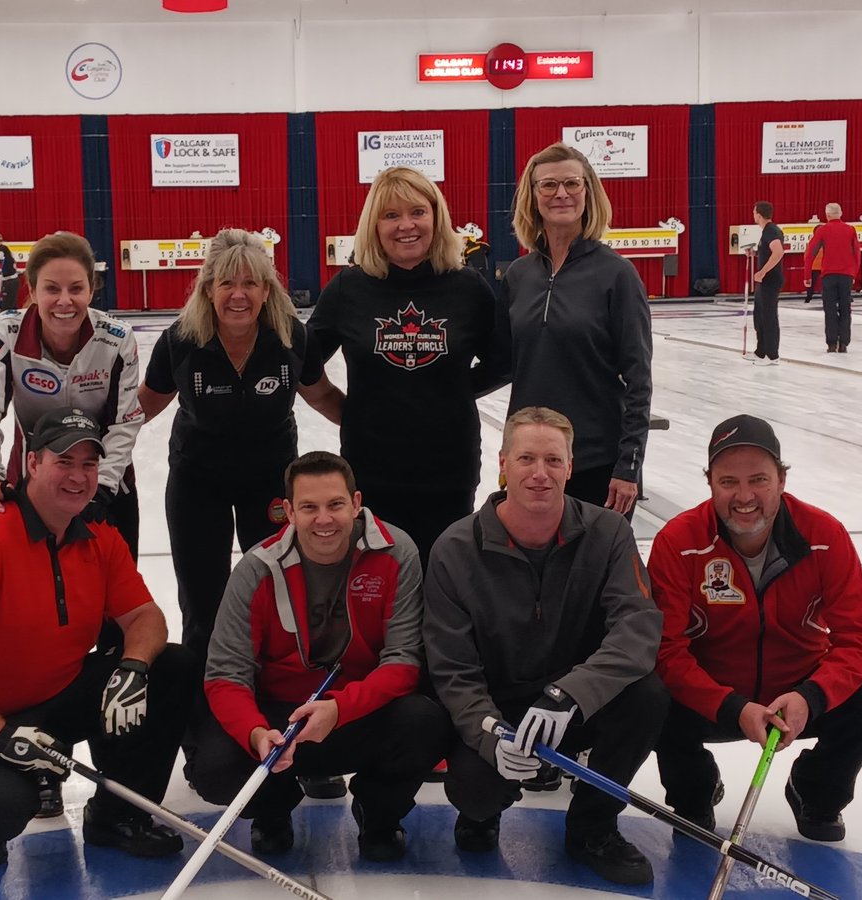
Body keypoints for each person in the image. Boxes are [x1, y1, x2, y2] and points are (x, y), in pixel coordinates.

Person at [0, 406, 195, 867]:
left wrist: (134, 667)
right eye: (64, 461)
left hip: (58, 695)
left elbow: (145, 616)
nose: (78, 476)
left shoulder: (99, 535)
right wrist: (1, 736)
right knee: (2, 808)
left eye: (89, 464)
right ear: (32, 463)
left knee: (171, 667)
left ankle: (117, 816)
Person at [424, 407, 667, 887]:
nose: (540, 473)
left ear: (570, 467)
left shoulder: (609, 533)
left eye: (553, 460)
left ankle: (593, 827)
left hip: (572, 705)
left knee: (648, 695)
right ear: (503, 463)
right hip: (500, 709)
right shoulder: (454, 547)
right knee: (475, 791)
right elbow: (452, 669)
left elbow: (637, 627)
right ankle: (482, 812)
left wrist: (573, 693)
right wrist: (490, 734)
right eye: (526, 458)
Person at [647, 414, 862, 843]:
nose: (744, 496)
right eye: (728, 482)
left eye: (758, 480)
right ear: (710, 482)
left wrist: (811, 696)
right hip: (713, 695)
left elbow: (861, 638)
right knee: (646, 698)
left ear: (781, 480)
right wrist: (732, 706)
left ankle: (814, 790)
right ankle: (694, 792)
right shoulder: (679, 541)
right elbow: (665, 649)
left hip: (797, 692)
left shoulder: (824, 535)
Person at [191, 451, 451, 861]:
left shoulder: (396, 552)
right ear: (289, 511)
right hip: (280, 719)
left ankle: (378, 812)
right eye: (309, 507)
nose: (324, 519)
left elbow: (403, 663)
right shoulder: (257, 568)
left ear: (356, 503)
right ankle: (274, 807)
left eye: (335, 504)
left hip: (356, 709)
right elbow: (225, 675)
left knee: (426, 723)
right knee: (213, 767)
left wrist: (338, 709)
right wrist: (256, 734)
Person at [138, 229, 343, 669]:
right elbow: (141, 408)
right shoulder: (180, 342)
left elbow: (324, 396)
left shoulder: (292, 338)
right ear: (207, 289)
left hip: (269, 482)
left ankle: (271, 686)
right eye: (227, 283)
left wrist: (378, 428)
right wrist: (90, 443)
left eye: (250, 283)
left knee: (273, 590)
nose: (238, 295)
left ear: (266, 290)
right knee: (202, 601)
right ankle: (204, 694)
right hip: (197, 481)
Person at [309, 166, 503, 568]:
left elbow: (504, 361)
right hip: (371, 470)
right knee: (379, 583)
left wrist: (451, 392)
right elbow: (304, 361)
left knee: (443, 579)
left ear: (436, 218)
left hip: (449, 470)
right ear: (374, 225)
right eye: (391, 215)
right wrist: (344, 408)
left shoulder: (468, 287)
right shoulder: (348, 289)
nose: (406, 225)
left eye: (417, 212)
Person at [0, 231, 145, 563]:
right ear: (33, 290)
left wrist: (101, 488)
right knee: (35, 594)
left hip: (106, 490)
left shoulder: (118, 339)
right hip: (31, 489)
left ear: (91, 289)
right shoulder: (5, 333)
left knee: (114, 593)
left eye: (76, 288)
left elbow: (125, 422)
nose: (65, 301)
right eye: (52, 289)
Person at [502, 142, 652, 521]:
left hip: (596, 462)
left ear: (588, 192)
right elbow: (503, 363)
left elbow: (638, 380)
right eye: (548, 185)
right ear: (533, 195)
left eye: (572, 183)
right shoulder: (519, 276)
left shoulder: (617, 274)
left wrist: (629, 466)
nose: (561, 194)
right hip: (531, 464)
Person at [803, 203, 862, 353]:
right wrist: (854, 274)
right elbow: (857, 253)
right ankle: (844, 343)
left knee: (830, 310)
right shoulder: (850, 230)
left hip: (829, 276)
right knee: (845, 309)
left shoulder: (822, 230)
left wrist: (807, 275)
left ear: (827, 215)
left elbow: (810, 253)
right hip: (846, 275)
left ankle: (831, 343)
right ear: (841, 213)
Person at [749, 201, 785, 365]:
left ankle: (772, 355)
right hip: (765, 281)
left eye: (754, 212)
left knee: (768, 317)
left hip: (770, 280)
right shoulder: (767, 232)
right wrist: (755, 253)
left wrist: (762, 272)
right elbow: (769, 252)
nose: (753, 215)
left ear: (759, 215)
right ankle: (761, 352)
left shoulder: (771, 231)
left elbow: (778, 252)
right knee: (760, 316)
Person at [0, 232, 20, 311]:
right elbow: (2, 272)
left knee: (7, 305)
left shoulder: (3, 249)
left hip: (10, 281)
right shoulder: (5, 252)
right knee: (11, 304)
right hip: (9, 280)